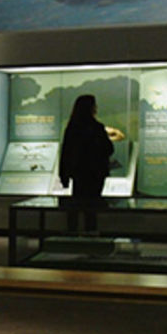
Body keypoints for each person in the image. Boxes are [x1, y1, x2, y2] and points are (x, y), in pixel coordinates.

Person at [57, 94, 114, 234]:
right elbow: (108, 149)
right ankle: (90, 236)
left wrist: (63, 175)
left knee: (76, 206)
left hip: (79, 174)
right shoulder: (97, 127)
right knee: (91, 210)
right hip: (95, 175)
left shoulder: (72, 128)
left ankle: (72, 235)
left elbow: (66, 153)